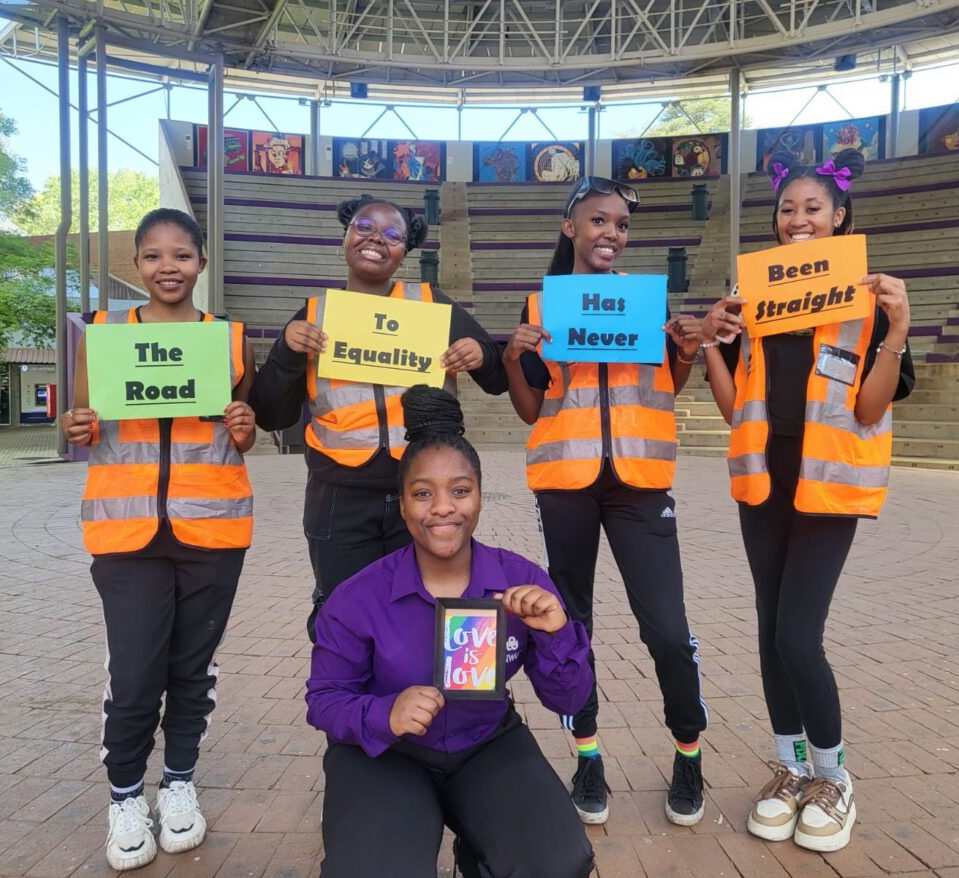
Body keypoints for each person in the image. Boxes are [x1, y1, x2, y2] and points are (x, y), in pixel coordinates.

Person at [699, 148, 915, 852]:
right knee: (771, 631)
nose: (798, 219)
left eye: (813, 207)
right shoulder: (755, 297)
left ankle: (833, 776)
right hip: (764, 483)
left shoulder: (869, 301)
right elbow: (735, 409)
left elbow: (871, 406)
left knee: (798, 634)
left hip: (828, 485)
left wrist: (897, 331)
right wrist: (710, 344)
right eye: (787, 208)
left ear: (840, 216)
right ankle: (790, 769)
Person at [305, 384, 595, 878]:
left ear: (479, 496)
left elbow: (569, 699)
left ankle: (478, 855)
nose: (443, 507)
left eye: (460, 490)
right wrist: (384, 713)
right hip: (385, 752)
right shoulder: (357, 597)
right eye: (423, 494)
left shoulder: (521, 582)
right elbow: (324, 700)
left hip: (485, 742)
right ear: (402, 505)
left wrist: (557, 633)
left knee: (559, 863)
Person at [502, 176, 710, 827]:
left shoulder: (646, 302)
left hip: (640, 484)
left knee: (667, 630)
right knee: (573, 627)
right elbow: (531, 407)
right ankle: (587, 754)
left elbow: (668, 383)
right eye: (599, 221)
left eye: (621, 225)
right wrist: (511, 359)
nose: (611, 234)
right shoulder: (541, 305)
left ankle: (688, 751)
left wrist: (685, 350)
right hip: (565, 483)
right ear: (571, 227)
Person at [61, 208, 257, 871]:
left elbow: (242, 432)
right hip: (126, 532)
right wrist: (77, 426)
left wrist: (244, 426)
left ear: (201, 261)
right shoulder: (104, 335)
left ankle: (178, 783)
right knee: (136, 670)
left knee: (192, 669)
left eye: (180, 254)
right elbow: (81, 423)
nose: (167, 267)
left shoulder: (230, 340)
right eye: (152, 255)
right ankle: (124, 796)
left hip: (214, 530)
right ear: (137, 264)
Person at [249, 194, 506, 641]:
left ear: (405, 251)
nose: (375, 239)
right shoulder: (315, 315)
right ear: (345, 237)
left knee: (427, 615)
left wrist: (481, 354)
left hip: (422, 492)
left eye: (392, 234)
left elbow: (499, 378)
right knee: (343, 616)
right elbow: (271, 414)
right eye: (364, 227)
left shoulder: (431, 306)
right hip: (339, 496)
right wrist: (287, 351)